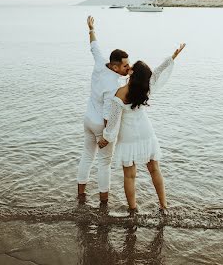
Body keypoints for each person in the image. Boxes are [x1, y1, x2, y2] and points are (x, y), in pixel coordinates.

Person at [98, 42, 186, 212]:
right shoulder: (146, 87)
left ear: (131, 73)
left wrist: (105, 139)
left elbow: (114, 123)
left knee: (130, 176)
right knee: (154, 169)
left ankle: (133, 210)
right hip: (146, 133)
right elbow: (157, 73)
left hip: (128, 137)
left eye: (130, 66)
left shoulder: (119, 94)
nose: (128, 67)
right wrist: (172, 57)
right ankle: (164, 206)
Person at [77, 16, 132, 203]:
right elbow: (109, 114)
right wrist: (107, 136)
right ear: (115, 66)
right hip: (101, 124)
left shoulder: (101, 63)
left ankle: (80, 195)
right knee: (104, 163)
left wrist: (91, 29)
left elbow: (94, 46)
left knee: (87, 156)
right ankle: (104, 204)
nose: (128, 67)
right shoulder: (114, 84)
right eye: (125, 65)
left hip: (88, 119)